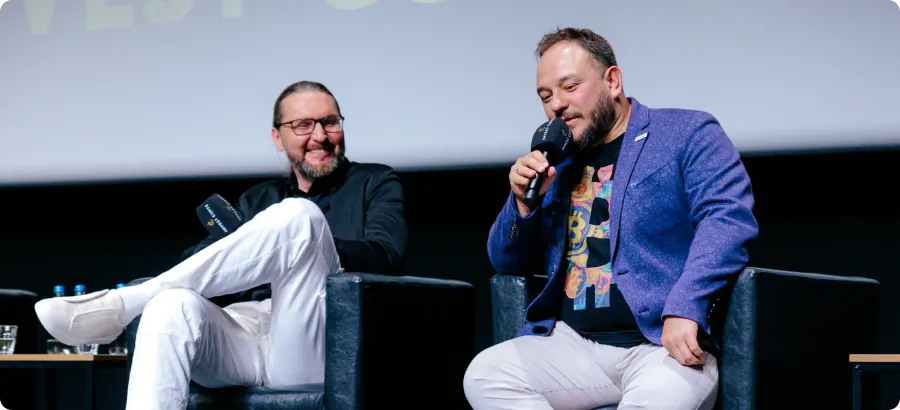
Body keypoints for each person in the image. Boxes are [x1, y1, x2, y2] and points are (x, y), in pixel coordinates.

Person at [33, 81, 408, 409]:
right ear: (277, 137)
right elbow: (200, 261)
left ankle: (125, 304)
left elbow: (386, 255)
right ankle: (145, 300)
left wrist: (302, 246)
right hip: (244, 336)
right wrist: (251, 248)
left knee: (300, 217)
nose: (320, 135)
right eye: (303, 125)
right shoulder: (258, 199)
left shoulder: (375, 182)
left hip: (314, 339)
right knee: (170, 304)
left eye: (330, 122)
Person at [463, 28, 759, 410]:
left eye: (570, 87)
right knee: (486, 375)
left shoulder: (686, 133)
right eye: (546, 96)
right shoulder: (555, 164)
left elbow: (727, 218)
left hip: (660, 345)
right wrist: (521, 204)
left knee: (660, 397)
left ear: (613, 81)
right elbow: (507, 261)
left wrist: (687, 304)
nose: (557, 105)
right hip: (575, 346)